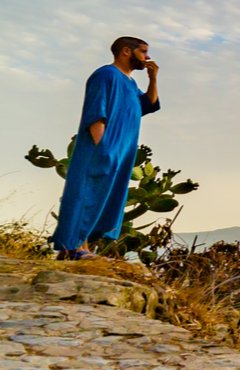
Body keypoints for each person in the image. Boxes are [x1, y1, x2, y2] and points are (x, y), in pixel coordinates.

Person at [50, 37, 161, 260]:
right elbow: (96, 111)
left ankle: (81, 248)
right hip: (101, 149)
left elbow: (148, 104)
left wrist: (153, 78)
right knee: (85, 194)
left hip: (122, 152)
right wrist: (103, 146)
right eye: (143, 52)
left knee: (104, 198)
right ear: (126, 51)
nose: (147, 57)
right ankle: (73, 248)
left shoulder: (130, 83)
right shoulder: (105, 75)